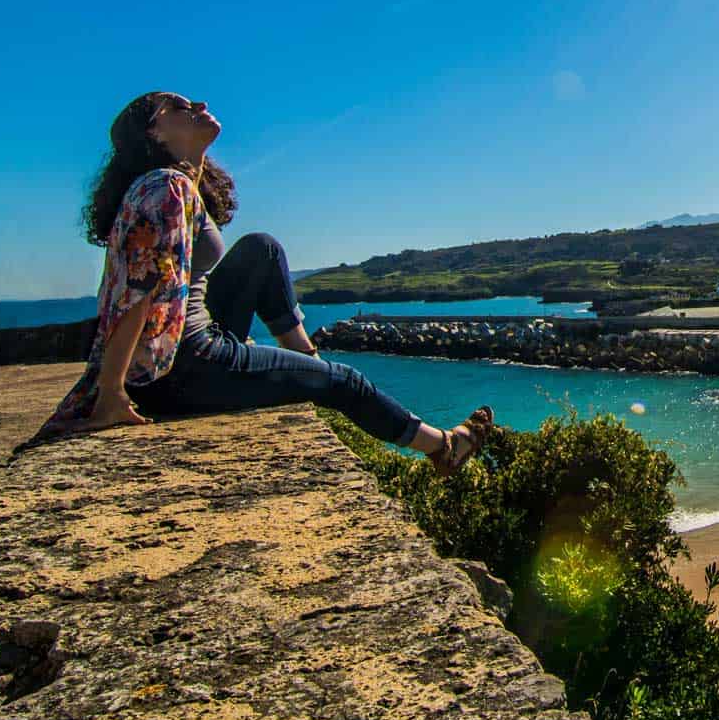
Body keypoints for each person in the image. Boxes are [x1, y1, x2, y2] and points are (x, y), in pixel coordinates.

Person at [34, 91, 492, 474]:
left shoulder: (174, 184)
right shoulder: (165, 187)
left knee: (261, 248)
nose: (196, 104)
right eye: (176, 107)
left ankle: (305, 363)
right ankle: (444, 447)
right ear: (154, 134)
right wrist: (112, 391)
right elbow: (139, 288)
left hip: (183, 349)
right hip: (186, 363)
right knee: (346, 383)